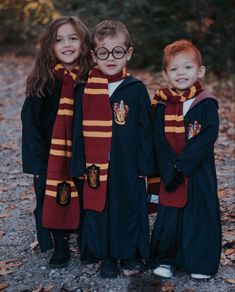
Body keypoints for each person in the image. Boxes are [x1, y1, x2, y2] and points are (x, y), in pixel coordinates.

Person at [71, 20, 154, 278]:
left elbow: (145, 131)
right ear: (94, 56)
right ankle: (105, 255)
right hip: (96, 164)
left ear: (128, 53)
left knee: (128, 207)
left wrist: (145, 166)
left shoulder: (136, 89)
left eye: (117, 51)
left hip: (126, 164)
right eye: (103, 52)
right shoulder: (85, 88)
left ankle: (128, 253)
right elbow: (77, 130)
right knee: (100, 209)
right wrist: (78, 163)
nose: (110, 58)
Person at [21, 16, 92, 268]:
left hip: (82, 152)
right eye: (59, 40)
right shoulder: (44, 80)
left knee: (84, 197)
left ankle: (86, 241)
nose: (67, 44)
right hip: (51, 155)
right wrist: (38, 161)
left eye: (73, 38)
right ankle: (60, 246)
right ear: (50, 46)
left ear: (84, 43)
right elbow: (30, 123)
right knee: (54, 198)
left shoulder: (90, 79)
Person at [150, 39, 221, 279]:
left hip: (196, 170)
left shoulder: (205, 103)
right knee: (169, 217)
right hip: (171, 170)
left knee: (198, 216)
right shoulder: (161, 104)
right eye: (174, 68)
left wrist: (183, 165)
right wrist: (171, 166)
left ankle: (200, 263)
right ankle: (165, 259)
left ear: (199, 71)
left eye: (187, 67)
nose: (181, 73)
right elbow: (157, 138)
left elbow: (207, 136)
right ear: (165, 74)